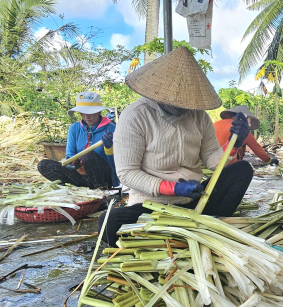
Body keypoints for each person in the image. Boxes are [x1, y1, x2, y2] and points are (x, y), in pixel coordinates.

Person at [98, 47, 252, 247]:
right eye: (176, 102)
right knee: (108, 222)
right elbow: (128, 174)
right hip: (153, 207)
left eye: (187, 102)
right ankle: (198, 230)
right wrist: (174, 188)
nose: (183, 107)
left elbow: (213, 161)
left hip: (194, 203)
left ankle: (200, 225)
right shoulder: (135, 116)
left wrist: (235, 143)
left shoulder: (199, 116)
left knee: (242, 171)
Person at [37, 91, 119, 189]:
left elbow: (117, 162)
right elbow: (70, 154)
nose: (86, 117)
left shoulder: (111, 129)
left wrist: (109, 148)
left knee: (88, 156)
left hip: (103, 176)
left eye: (90, 113)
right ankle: (78, 188)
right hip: (81, 175)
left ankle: (101, 190)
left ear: (99, 111)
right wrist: (72, 163)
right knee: (44, 165)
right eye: (83, 113)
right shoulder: (74, 128)